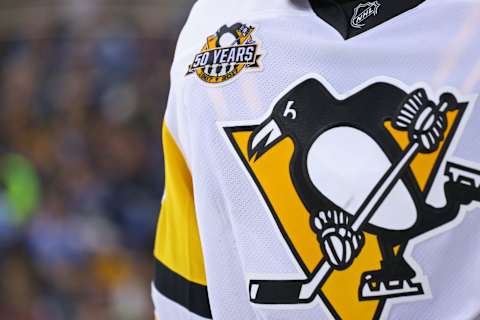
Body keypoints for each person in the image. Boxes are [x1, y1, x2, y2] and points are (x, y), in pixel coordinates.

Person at [152, 0, 480, 319]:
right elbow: (186, 296)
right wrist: (335, 235)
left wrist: (420, 119)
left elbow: (383, 97)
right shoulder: (209, 31)